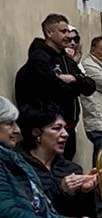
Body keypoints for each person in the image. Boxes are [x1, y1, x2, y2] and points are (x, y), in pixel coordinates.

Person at [13, 13, 96, 160]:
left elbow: (90, 86)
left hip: (68, 127)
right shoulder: (39, 59)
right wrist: (72, 83)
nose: (68, 36)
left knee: (66, 166)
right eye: (63, 31)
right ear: (49, 33)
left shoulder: (66, 59)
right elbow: (58, 89)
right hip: (45, 129)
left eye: (68, 31)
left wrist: (73, 78)